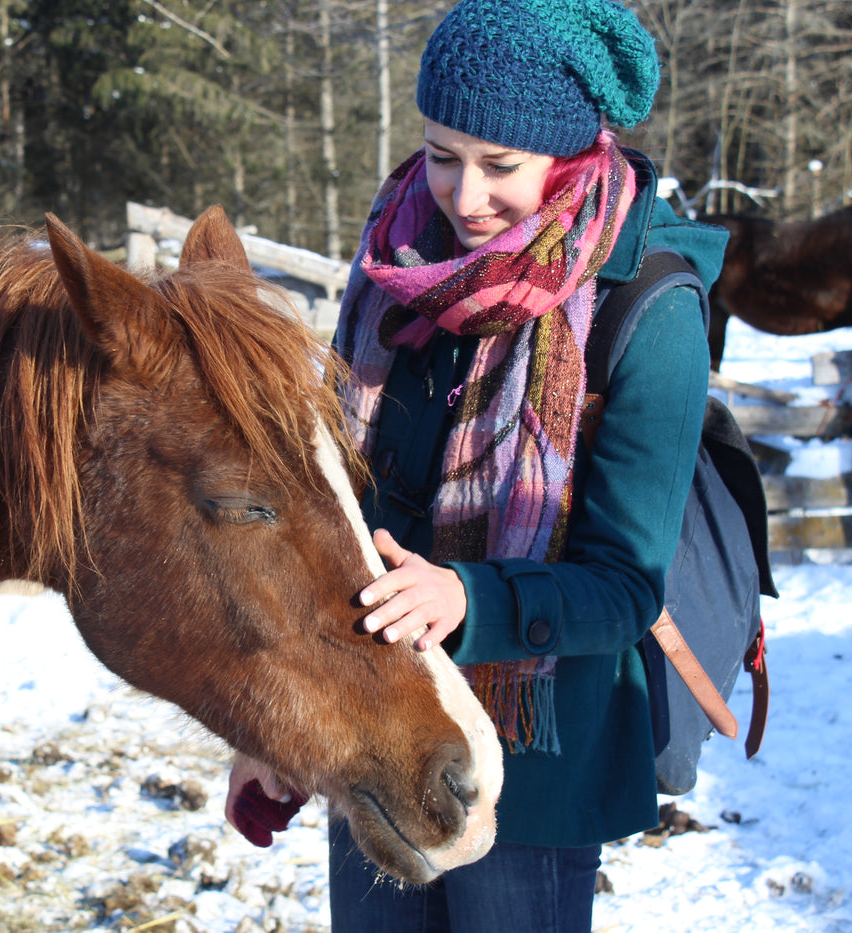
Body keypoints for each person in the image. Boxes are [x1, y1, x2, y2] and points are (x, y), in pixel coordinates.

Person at [222, 1, 731, 930]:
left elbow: (627, 588)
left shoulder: (649, 309)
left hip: (532, 767)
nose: (464, 197)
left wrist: (467, 598)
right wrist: (281, 718)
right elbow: (334, 509)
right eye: (441, 155)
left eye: (501, 165)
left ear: (570, 154)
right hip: (374, 727)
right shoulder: (399, 258)